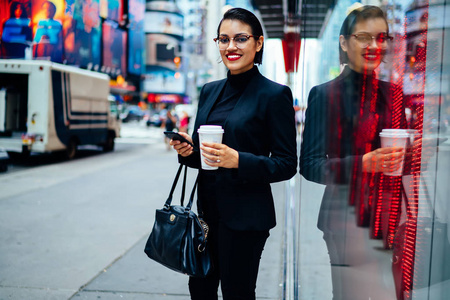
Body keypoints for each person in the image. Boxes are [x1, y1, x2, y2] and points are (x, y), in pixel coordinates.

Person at [170, 7, 297, 300]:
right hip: (205, 217)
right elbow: (205, 156)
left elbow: (287, 163)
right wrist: (187, 150)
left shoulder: (274, 95)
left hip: (246, 219)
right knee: (199, 290)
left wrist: (238, 160)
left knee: (237, 293)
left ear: (259, 43)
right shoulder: (209, 91)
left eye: (240, 39)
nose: (231, 47)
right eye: (223, 39)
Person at [299, 5, 407, 299]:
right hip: (345, 220)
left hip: (391, 218)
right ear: (345, 43)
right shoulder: (324, 94)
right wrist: (363, 164)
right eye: (364, 37)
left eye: (381, 38)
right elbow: (309, 165)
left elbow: (403, 162)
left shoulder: (394, 93)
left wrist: (418, 154)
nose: (374, 45)